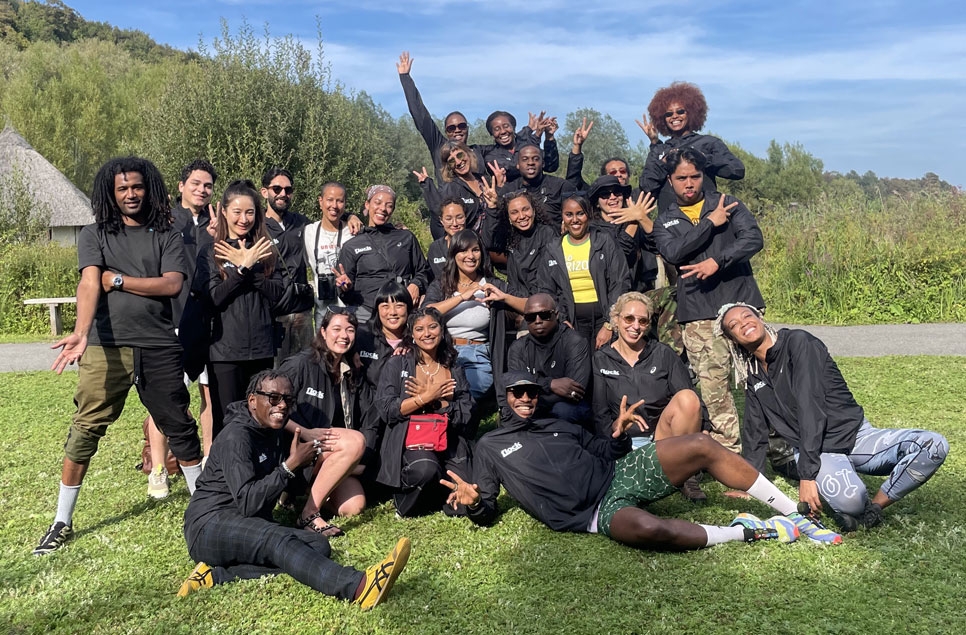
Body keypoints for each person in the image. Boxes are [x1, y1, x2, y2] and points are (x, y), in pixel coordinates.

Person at [442, 370, 845, 549]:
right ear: (506, 399)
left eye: (531, 392)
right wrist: (475, 503)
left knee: (702, 443)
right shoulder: (491, 445)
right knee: (655, 531)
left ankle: (797, 514)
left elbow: (602, 451)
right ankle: (749, 531)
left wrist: (617, 437)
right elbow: (489, 507)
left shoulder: (559, 423)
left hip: (620, 472)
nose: (526, 399)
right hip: (593, 515)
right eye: (517, 394)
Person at [33, 156, 203, 555]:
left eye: (137, 187)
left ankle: (204, 512)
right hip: (104, 347)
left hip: (159, 345)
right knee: (85, 430)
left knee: (179, 425)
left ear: (150, 188)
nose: (131, 194)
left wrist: (120, 280)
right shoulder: (95, 234)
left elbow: (172, 285)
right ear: (111, 192)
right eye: (123, 188)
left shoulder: (166, 233)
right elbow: (91, 282)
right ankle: (61, 520)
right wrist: (80, 331)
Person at [178, 370, 410, 610]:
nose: (282, 405)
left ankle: (215, 576)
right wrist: (289, 466)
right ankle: (359, 587)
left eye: (288, 400)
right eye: (273, 398)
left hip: (245, 523)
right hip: (209, 525)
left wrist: (304, 465)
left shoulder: (273, 430)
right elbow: (247, 502)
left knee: (318, 545)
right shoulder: (236, 437)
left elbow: (280, 484)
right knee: (277, 539)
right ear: (252, 401)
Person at [716, 302, 949, 531]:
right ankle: (857, 503)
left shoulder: (798, 342)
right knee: (852, 502)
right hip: (819, 451)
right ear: (732, 339)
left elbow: (811, 406)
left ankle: (876, 507)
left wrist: (806, 476)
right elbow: (755, 431)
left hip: (855, 437)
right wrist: (748, 486)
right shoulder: (754, 374)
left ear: (760, 318)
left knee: (933, 445)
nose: (743, 323)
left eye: (747, 316)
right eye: (734, 325)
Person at [649, 148, 765, 453]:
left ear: (703, 176)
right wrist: (710, 224)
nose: (689, 183)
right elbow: (673, 253)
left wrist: (718, 260)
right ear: (671, 182)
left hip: (741, 302)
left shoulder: (727, 203)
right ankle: (728, 450)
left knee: (762, 377)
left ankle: (777, 445)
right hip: (698, 312)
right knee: (714, 386)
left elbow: (753, 239)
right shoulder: (665, 221)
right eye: (682, 178)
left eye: (695, 176)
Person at [144, 158, 219, 499]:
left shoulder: (217, 222)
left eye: (207, 185)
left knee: (209, 396)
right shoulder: (164, 221)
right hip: (171, 321)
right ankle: (158, 467)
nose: (202, 190)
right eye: (196, 183)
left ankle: (209, 460)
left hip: (208, 321)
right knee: (168, 399)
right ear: (181, 186)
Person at [592, 292, 708, 501]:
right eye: (629, 318)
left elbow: (688, 394)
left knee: (688, 398)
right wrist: (618, 427)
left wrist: (705, 428)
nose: (635, 326)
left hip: (661, 439)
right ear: (616, 320)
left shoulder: (663, 354)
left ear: (648, 324)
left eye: (642, 321)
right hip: (623, 441)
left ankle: (687, 475)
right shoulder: (601, 359)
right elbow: (599, 413)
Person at [196, 179, 285, 438]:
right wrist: (242, 269)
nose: (243, 219)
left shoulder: (266, 250)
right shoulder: (210, 252)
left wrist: (252, 269)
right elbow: (213, 299)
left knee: (262, 419)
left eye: (250, 212)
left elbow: (278, 294)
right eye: (237, 212)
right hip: (225, 352)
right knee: (228, 422)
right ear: (223, 211)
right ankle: (226, 476)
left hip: (261, 348)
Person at [279, 308, 378, 532]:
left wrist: (359, 462)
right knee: (354, 442)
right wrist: (304, 431)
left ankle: (299, 494)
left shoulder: (353, 371)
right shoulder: (300, 364)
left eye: (350, 330)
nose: (343, 335)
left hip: (330, 451)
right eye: (336, 329)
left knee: (353, 506)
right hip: (296, 448)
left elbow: (370, 417)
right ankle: (308, 514)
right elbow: (270, 408)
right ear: (323, 331)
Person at [374, 307, 475, 517]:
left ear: (442, 329)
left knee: (464, 500)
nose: (426, 334)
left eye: (432, 327)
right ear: (411, 334)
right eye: (419, 329)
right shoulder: (397, 363)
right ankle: (406, 500)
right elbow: (387, 410)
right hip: (413, 439)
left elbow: (466, 412)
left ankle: (436, 493)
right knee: (425, 469)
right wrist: (423, 398)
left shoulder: (454, 366)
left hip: (450, 438)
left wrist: (438, 403)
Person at [425, 229, 526, 404]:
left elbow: (530, 306)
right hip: (442, 354)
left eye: (475, 250)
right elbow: (427, 312)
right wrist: (461, 297)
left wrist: (504, 297)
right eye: (463, 250)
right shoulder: (442, 284)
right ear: (453, 255)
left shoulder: (492, 284)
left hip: (476, 355)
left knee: (463, 397)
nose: (470, 256)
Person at [537, 195, 629, 350]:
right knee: (578, 369)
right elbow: (546, 289)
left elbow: (619, 282)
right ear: (562, 216)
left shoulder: (605, 242)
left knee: (604, 365)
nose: (575, 220)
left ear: (589, 214)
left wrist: (610, 323)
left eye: (580, 213)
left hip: (604, 319)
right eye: (569, 214)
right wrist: (561, 319)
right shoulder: (553, 249)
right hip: (571, 321)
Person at [637, 82, 744, 213]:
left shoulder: (708, 142)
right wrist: (659, 151)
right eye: (668, 114)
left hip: (707, 217)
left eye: (680, 111)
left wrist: (704, 159)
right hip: (671, 223)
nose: (675, 116)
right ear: (662, 119)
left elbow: (737, 170)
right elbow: (647, 187)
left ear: (691, 113)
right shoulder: (659, 150)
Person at [336, 185, 431, 324]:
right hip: (366, 315)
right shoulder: (352, 245)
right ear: (367, 204)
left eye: (389, 205)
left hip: (401, 314)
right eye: (378, 203)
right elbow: (345, 294)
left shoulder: (406, 238)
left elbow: (423, 271)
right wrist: (345, 287)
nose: (383, 209)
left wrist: (416, 284)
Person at [506, 294, 591, 424]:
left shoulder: (575, 342)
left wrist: (535, 387)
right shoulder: (518, 348)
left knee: (563, 410)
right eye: (530, 317)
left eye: (544, 315)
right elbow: (518, 387)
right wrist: (551, 384)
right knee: (512, 411)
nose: (538, 320)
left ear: (556, 315)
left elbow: (575, 391)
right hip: (531, 405)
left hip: (568, 408)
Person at [261, 167, 313, 362]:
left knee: (305, 369)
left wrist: (350, 216)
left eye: (288, 190)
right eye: (277, 189)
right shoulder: (257, 225)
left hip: (302, 313)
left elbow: (330, 220)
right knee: (275, 375)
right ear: (264, 192)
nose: (283, 194)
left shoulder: (301, 222)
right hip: (273, 315)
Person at [303, 182, 363, 326]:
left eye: (340, 201)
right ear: (320, 201)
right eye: (330, 200)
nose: (334, 206)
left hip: (350, 309)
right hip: (322, 311)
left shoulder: (354, 232)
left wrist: (351, 216)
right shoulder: (308, 232)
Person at [355, 281, 415, 391]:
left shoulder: (417, 340)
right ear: (377, 309)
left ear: (408, 308)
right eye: (385, 306)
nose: (392, 312)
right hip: (368, 405)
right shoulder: (362, 336)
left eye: (399, 306)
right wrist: (351, 352)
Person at [499, 144, 578, 226]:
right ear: (518, 165)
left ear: (543, 163)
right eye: (525, 159)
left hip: (554, 237)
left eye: (535, 159)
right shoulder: (508, 191)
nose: (530, 163)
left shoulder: (561, 186)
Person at [499, 190, 558, 297]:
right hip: (517, 299)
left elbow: (548, 275)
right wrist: (491, 208)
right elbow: (488, 241)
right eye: (514, 212)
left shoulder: (546, 233)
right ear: (508, 217)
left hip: (542, 300)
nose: (521, 216)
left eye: (525, 209)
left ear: (534, 210)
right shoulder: (509, 239)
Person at [480, 109, 559, 182]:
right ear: (492, 133)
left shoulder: (527, 146)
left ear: (513, 127)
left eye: (506, 126)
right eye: (497, 129)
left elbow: (550, 167)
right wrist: (534, 135)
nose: (503, 131)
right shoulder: (491, 156)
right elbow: (511, 169)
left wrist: (549, 136)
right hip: (511, 195)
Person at [425, 197, 467, 279]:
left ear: (466, 217)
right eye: (449, 219)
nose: (454, 223)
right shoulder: (435, 249)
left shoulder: (476, 244)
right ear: (441, 220)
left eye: (459, 217)